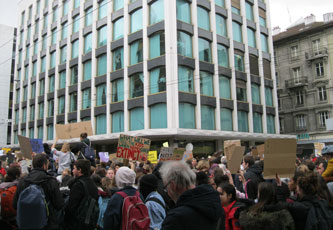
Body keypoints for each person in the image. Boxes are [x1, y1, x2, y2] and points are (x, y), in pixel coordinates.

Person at [160, 161, 222, 230]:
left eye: (166, 188)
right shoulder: (215, 202)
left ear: (172, 185)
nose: (167, 192)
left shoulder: (175, 219)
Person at [13, 154, 64, 230]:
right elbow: (59, 204)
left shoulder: (23, 181)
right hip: (47, 223)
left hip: (26, 222)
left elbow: (14, 204)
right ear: (44, 165)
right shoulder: (51, 181)